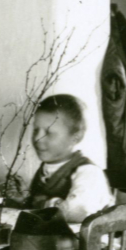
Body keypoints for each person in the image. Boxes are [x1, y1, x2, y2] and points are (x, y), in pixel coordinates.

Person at [27, 94, 113, 224]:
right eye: (35, 130)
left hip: (90, 242)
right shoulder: (46, 168)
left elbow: (76, 212)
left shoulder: (88, 173)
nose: (38, 138)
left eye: (49, 133)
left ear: (76, 137)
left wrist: (42, 204)